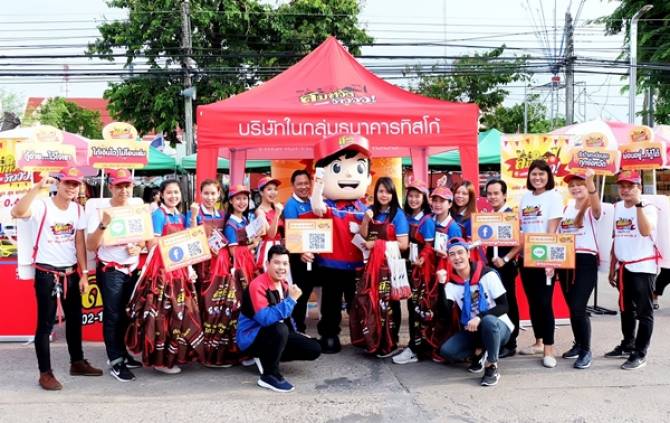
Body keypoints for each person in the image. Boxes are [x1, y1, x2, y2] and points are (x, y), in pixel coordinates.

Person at [11, 167, 103, 391]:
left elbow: (79, 242)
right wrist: (37, 188)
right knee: (45, 324)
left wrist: (84, 274)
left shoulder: (78, 209)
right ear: (59, 184)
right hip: (46, 273)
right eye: (67, 183)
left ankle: (77, 362)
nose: (72, 188)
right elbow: (17, 211)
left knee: (75, 319)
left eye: (75, 184)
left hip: (70, 273)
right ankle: (45, 373)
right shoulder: (42, 205)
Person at [126, 179, 204, 374]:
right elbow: (151, 243)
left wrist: (194, 217)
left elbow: (191, 237)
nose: (173, 196)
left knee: (180, 312)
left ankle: (174, 355)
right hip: (162, 270)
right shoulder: (158, 215)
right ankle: (160, 360)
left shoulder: (180, 215)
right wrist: (172, 242)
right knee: (162, 314)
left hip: (179, 268)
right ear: (161, 195)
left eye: (176, 192)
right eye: (169, 192)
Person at [306, 134, 371, 354]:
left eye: (358, 169)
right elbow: (316, 206)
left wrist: (364, 225)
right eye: (338, 168)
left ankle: (361, 333)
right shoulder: (330, 206)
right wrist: (318, 184)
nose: (349, 175)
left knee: (357, 302)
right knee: (331, 303)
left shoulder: (364, 210)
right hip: (332, 264)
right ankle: (329, 334)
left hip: (357, 266)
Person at [237, 245, 321, 393]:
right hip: (250, 339)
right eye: (276, 263)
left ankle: (265, 356)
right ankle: (269, 375)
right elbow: (265, 319)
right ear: (267, 264)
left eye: (285, 263)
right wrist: (291, 300)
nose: (281, 267)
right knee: (279, 329)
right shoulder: (257, 285)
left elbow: (287, 317)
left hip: (273, 334)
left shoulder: (284, 284)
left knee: (313, 348)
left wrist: (297, 334)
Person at [86, 169, 143, 382]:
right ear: (110, 187)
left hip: (131, 269)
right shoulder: (100, 211)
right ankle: (116, 361)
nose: (123, 190)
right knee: (113, 316)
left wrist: (138, 247)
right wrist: (104, 224)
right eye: (119, 186)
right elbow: (91, 245)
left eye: (127, 185)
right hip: (111, 271)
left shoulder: (136, 209)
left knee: (127, 314)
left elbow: (143, 238)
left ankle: (123, 353)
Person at [438, 238, 513, 387]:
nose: (457, 257)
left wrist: (480, 317)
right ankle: (480, 352)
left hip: (498, 326)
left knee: (488, 321)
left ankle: (492, 366)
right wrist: (441, 285)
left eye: (460, 252)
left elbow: (504, 306)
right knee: (447, 351)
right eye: (452, 254)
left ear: (468, 254)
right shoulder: (452, 284)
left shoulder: (488, 274)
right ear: (449, 258)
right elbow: (444, 314)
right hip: (473, 330)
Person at [606, 170, 659, 370]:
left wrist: (638, 206)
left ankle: (640, 353)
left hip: (643, 267)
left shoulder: (649, 207)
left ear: (639, 188)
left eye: (630, 186)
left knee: (644, 312)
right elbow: (616, 238)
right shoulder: (617, 207)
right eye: (622, 186)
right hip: (623, 266)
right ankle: (628, 343)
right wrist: (612, 266)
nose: (625, 190)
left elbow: (645, 231)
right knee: (625, 308)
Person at [518, 159, 563, 368]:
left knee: (545, 303)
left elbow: (552, 231)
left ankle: (549, 350)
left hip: (544, 258)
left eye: (541, 174)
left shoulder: (554, 197)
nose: (537, 178)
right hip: (526, 258)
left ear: (548, 176)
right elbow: (522, 228)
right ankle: (538, 342)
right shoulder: (525, 197)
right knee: (533, 302)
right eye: (534, 174)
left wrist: (549, 261)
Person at [556, 169, 601, 369]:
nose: (575, 188)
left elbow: (596, 209)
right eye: (572, 185)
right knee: (571, 308)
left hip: (585, 260)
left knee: (578, 307)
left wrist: (590, 182)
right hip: (565, 261)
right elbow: (559, 236)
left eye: (579, 184)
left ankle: (586, 350)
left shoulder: (594, 206)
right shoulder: (566, 209)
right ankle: (579, 343)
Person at [359, 176, 409, 356]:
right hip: (372, 266)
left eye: (388, 192)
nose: (384, 195)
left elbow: (403, 244)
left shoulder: (398, 215)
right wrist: (366, 219)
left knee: (389, 304)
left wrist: (376, 244)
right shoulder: (371, 211)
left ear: (393, 194)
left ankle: (390, 342)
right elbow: (364, 235)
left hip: (389, 267)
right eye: (381, 191)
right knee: (372, 301)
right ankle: (375, 339)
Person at [393, 179, 437, 365]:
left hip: (421, 272)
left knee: (418, 309)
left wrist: (422, 259)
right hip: (406, 269)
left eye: (417, 196)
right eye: (410, 196)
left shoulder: (427, 221)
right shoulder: (404, 217)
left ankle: (417, 348)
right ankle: (415, 345)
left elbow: (429, 246)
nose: (413, 199)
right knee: (412, 307)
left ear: (424, 198)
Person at [484, 179, 521, 359]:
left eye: (496, 193)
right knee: (495, 303)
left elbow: (520, 242)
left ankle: (511, 342)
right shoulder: (489, 216)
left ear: (504, 195)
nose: (492, 197)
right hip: (491, 266)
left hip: (505, 267)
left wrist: (505, 259)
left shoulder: (511, 215)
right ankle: (499, 339)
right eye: (489, 193)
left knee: (508, 303)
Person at [284, 170, 317, 334]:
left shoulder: (312, 201)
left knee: (309, 291)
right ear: (293, 185)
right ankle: (297, 330)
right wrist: (301, 252)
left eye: (306, 183)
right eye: (299, 184)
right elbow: (292, 233)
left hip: (313, 256)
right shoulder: (290, 205)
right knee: (300, 295)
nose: (304, 187)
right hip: (299, 258)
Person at [254, 176, 284, 271]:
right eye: (269, 189)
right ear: (261, 192)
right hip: (267, 249)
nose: (273, 192)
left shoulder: (276, 208)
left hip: (279, 248)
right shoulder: (260, 211)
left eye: (275, 189)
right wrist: (277, 214)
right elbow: (270, 234)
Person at [430, 186, 463, 259]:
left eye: (442, 201)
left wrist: (447, 256)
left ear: (450, 204)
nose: (437, 204)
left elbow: (458, 255)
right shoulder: (428, 220)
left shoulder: (454, 228)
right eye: (435, 200)